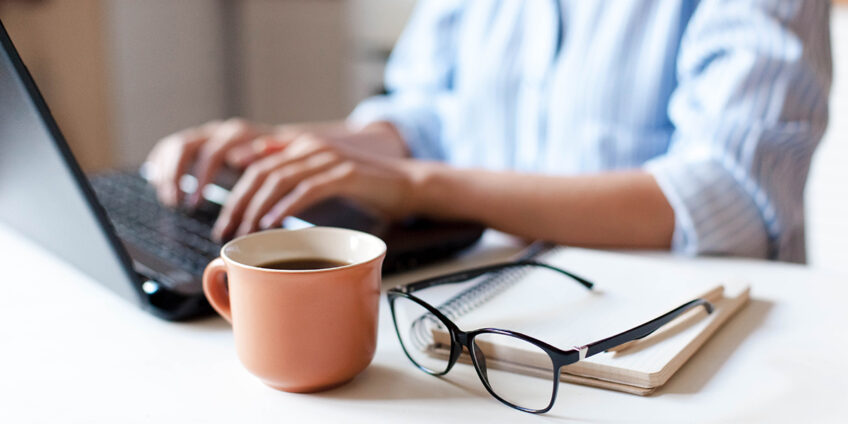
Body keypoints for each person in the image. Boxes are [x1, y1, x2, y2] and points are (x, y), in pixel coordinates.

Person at [146, 0, 831, 263]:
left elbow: (729, 197)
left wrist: (422, 187)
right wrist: (284, 151)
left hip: (675, 347)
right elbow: (435, 115)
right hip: (488, 315)